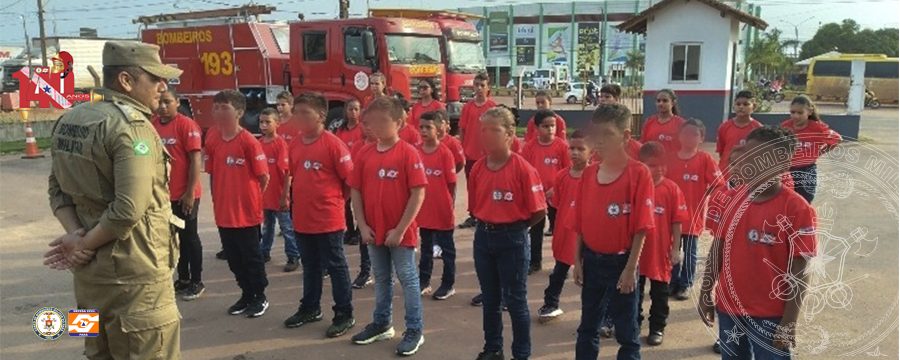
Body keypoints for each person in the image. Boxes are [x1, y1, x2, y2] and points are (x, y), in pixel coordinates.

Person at [44, 40, 182, 359]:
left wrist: (76, 235)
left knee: (94, 350)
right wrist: (83, 244)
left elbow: (57, 190)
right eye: (154, 78)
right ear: (125, 81)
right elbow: (128, 209)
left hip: (88, 280)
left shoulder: (72, 119)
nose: (163, 87)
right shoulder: (131, 128)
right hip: (134, 279)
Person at [698, 126, 816, 360]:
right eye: (748, 153)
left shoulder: (797, 209)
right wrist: (705, 292)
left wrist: (789, 320)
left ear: (782, 165)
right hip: (730, 310)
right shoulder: (730, 200)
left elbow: (800, 270)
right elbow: (717, 249)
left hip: (770, 316)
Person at [574, 103, 653, 360]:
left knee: (626, 333)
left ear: (626, 136)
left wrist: (630, 270)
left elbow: (642, 227)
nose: (599, 141)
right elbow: (580, 223)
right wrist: (578, 260)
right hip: (592, 261)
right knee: (588, 326)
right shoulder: (588, 175)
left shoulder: (639, 174)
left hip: (622, 263)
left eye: (607, 134)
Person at [349, 97, 427, 356]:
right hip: (373, 231)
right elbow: (356, 191)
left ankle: (414, 329)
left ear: (399, 123)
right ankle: (382, 323)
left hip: (400, 235)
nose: (374, 127)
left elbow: (418, 194)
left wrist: (400, 230)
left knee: (408, 279)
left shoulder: (408, 153)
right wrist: (362, 225)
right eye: (371, 122)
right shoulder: (365, 153)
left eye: (382, 122)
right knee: (382, 278)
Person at [469, 107, 547, 360]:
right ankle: (493, 349)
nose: (487, 135)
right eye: (484, 130)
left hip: (512, 239)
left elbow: (538, 212)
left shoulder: (523, 169)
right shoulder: (478, 169)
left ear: (510, 134)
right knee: (490, 300)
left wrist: (515, 228)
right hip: (483, 237)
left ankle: (521, 353)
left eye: (495, 130)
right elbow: (475, 206)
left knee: (515, 300)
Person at [282, 92, 357, 338]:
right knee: (311, 267)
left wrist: (335, 203)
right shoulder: (295, 143)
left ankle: (344, 313)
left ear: (321, 116)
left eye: (305, 113)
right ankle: (310, 308)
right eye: (297, 112)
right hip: (302, 219)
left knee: (336, 267)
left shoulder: (334, 144)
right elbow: (292, 176)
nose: (299, 118)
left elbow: (350, 181)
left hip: (328, 220)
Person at [205, 89, 271, 318]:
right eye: (216, 107)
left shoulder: (249, 142)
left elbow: (264, 177)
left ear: (240, 112)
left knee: (251, 257)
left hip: (246, 214)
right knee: (233, 259)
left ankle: (259, 296)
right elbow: (212, 172)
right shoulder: (212, 137)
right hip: (223, 213)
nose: (219, 112)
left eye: (225, 108)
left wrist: (248, 198)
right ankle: (246, 294)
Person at [153, 89, 205, 301]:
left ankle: (196, 281)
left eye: (168, 102)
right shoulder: (153, 125)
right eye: (160, 102)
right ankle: (182, 278)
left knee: (189, 237)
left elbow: (195, 161)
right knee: (173, 238)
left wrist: (190, 193)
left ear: (177, 103)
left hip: (185, 195)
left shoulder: (186, 125)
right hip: (164, 197)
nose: (163, 106)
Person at [637, 141, 689, 346]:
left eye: (661, 165)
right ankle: (633, 323)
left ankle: (657, 327)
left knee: (660, 293)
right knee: (633, 292)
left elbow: (677, 221)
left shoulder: (671, 188)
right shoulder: (635, 186)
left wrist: (676, 249)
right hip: (637, 253)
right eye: (651, 165)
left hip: (660, 252)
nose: (657, 169)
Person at [537, 130, 591, 323]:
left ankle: (599, 316)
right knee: (559, 269)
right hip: (565, 231)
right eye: (572, 148)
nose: (575, 152)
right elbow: (558, 203)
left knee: (591, 277)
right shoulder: (561, 176)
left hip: (588, 236)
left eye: (581, 149)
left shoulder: (596, 176)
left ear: (591, 152)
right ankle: (551, 303)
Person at [667, 118, 722, 301]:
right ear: (679, 136)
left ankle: (685, 284)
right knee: (672, 250)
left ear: (702, 138)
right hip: (672, 217)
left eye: (694, 134)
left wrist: (704, 193)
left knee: (689, 252)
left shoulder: (704, 159)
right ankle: (672, 281)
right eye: (685, 133)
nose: (689, 137)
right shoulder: (671, 158)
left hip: (693, 216)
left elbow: (718, 183)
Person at [521, 109, 571, 274]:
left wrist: (553, 190)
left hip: (557, 196)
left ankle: (561, 262)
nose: (550, 129)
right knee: (536, 229)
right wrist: (535, 192)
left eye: (553, 126)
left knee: (559, 230)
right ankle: (535, 262)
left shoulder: (562, 146)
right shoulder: (529, 148)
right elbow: (525, 172)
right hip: (536, 196)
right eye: (545, 126)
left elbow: (567, 171)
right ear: (536, 128)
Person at [415, 111, 458, 300]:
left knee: (447, 250)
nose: (424, 131)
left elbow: (452, 183)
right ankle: (423, 281)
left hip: (442, 210)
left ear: (438, 129)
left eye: (428, 127)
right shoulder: (415, 152)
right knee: (425, 248)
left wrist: (449, 204)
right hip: (423, 210)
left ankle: (448, 284)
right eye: (421, 127)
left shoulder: (445, 153)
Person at [257, 108, 299, 271]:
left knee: (287, 228)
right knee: (267, 226)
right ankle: (264, 252)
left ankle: (293, 256)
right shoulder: (259, 143)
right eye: (261, 122)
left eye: (268, 122)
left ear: (277, 124)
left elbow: (288, 173)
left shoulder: (280, 144)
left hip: (279, 195)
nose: (264, 125)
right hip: (265, 196)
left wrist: (284, 196)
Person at [781, 95, 841, 203]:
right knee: (786, 201)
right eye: (792, 112)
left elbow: (837, 139)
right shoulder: (785, 126)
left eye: (800, 113)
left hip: (807, 170)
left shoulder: (817, 128)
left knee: (805, 201)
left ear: (809, 112)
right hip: (787, 170)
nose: (795, 116)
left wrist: (819, 152)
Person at [458, 72, 498, 229]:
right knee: (472, 186)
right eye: (477, 85)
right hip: (470, 154)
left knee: (488, 185)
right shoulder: (468, 107)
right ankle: (473, 214)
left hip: (488, 155)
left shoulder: (492, 107)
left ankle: (488, 214)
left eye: (482, 85)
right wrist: (463, 147)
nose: (479, 88)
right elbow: (462, 128)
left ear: (488, 87)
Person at [349, 113, 377, 289]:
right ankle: (365, 271)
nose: (367, 127)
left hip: (382, 201)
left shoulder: (384, 146)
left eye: (370, 123)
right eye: (364, 124)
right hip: (364, 200)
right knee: (363, 236)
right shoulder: (358, 147)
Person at [336, 99, 364, 245]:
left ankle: (360, 231)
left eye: (356, 109)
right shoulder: (340, 130)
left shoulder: (362, 130)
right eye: (350, 109)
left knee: (360, 203)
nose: (353, 112)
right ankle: (350, 230)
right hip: (345, 173)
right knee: (345, 203)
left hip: (359, 172)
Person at [716, 90, 762, 171]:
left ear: (754, 107)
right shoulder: (724, 127)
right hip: (726, 171)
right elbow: (721, 151)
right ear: (734, 106)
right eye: (738, 104)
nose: (741, 107)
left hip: (748, 172)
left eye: (745, 104)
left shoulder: (758, 128)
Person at [434, 109, 465, 173]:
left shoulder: (453, 142)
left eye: (440, 122)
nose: (437, 125)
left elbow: (460, 162)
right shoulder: (428, 141)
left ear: (447, 124)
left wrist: (450, 172)